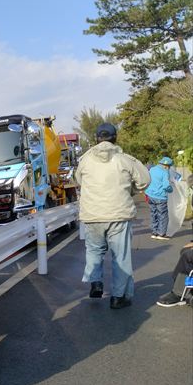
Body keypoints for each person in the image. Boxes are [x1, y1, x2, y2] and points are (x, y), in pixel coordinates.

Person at [75, 123, 151, 309]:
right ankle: (118, 297)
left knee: (94, 250)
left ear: (96, 139)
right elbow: (145, 180)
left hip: (92, 215)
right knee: (120, 257)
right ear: (115, 138)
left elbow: (79, 180)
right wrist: (130, 189)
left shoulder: (85, 160)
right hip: (119, 214)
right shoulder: (125, 159)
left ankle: (96, 282)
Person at [145, 156, 174, 240]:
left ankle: (154, 232)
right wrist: (171, 189)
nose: (169, 168)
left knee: (153, 214)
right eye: (169, 167)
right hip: (160, 197)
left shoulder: (152, 169)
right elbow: (166, 186)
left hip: (150, 195)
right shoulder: (164, 172)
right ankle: (161, 234)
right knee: (163, 215)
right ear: (166, 166)